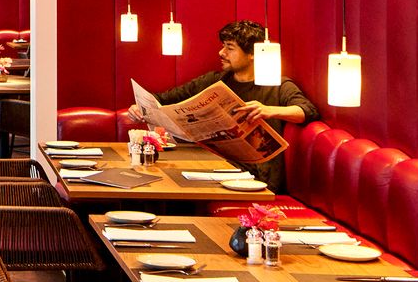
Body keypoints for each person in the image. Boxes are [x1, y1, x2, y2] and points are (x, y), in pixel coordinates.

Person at [129, 19, 317, 192]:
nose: (221, 53)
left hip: (255, 176)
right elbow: (164, 98)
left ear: (252, 54)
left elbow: (307, 111)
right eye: (222, 46)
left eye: (229, 48)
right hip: (213, 166)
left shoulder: (278, 86)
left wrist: (269, 110)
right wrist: (139, 107)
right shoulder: (215, 81)